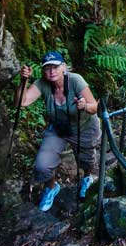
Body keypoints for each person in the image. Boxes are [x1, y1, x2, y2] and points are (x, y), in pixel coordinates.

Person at [17, 51, 101, 212]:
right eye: (47, 68)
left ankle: (86, 178)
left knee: (86, 160)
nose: (51, 71)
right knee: (43, 165)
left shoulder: (76, 81)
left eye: (55, 67)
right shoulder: (42, 83)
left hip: (83, 127)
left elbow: (94, 107)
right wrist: (24, 81)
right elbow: (22, 102)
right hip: (58, 128)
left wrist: (84, 106)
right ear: (43, 72)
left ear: (63, 67)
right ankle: (51, 187)